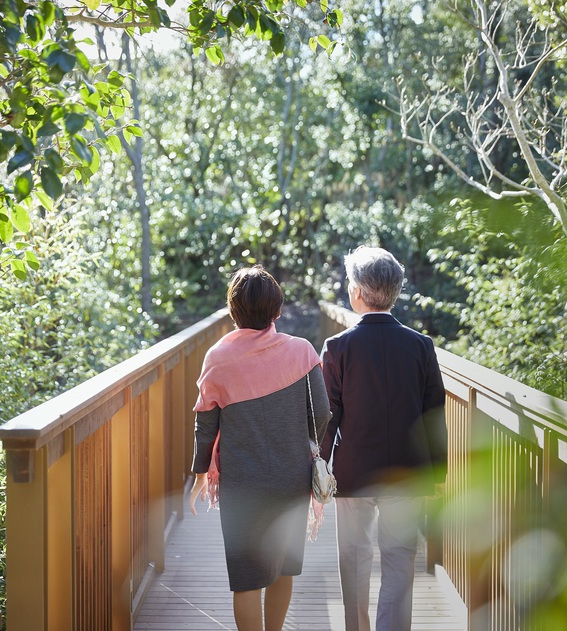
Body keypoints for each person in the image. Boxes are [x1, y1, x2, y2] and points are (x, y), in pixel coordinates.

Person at [189, 265, 331, 631]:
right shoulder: (302, 352)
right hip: (292, 476)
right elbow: (323, 412)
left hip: (241, 484)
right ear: (277, 311)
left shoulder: (217, 359)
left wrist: (201, 473)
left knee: (247, 577)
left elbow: (206, 426)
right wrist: (302, 443)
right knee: (283, 567)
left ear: (233, 311)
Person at [320, 246, 447, 631]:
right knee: (399, 559)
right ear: (394, 292)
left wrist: (319, 465)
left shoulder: (337, 347)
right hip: (407, 474)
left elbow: (329, 417)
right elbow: (433, 414)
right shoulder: (420, 345)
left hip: (353, 471)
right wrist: (436, 475)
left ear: (357, 292)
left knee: (353, 559)